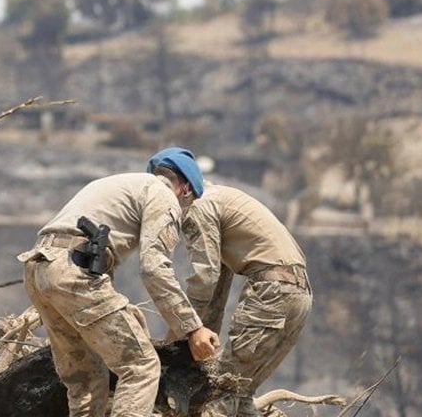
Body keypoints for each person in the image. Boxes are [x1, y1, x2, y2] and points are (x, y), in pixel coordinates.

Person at [17, 171, 220, 417]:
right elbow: (154, 268)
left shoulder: (118, 184)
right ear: (185, 189)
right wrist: (192, 328)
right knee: (141, 366)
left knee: (86, 380)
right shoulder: (163, 193)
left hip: (39, 268)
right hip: (74, 269)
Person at [146, 147, 312, 417]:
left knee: (218, 398)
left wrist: (180, 333)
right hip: (297, 295)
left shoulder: (198, 208)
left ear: (183, 187)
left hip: (271, 293)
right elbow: (216, 291)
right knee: (239, 395)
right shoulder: (220, 201)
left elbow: (204, 280)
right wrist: (196, 338)